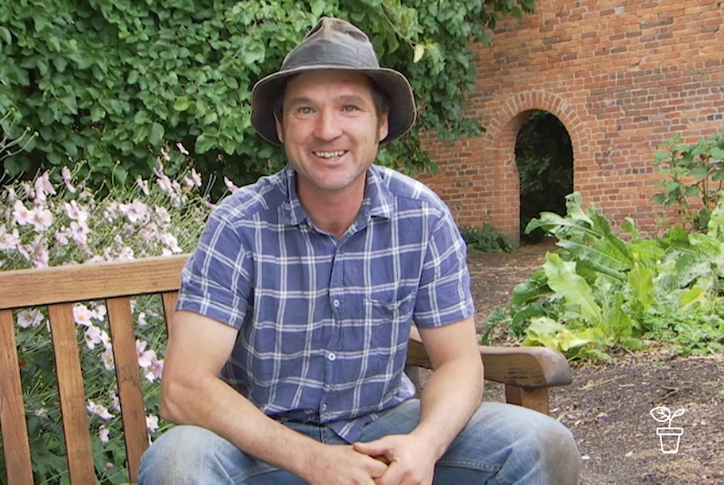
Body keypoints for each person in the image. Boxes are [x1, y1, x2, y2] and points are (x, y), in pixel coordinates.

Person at [138, 17, 580, 485]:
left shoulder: (422, 218)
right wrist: (314, 460)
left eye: (350, 107)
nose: (327, 130)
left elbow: (458, 361)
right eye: (305, 110)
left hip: (384, 435)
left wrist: (425, 445)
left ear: (382, 123)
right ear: (281, 125)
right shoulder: (239, 225)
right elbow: (184, 388)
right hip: (263, 449)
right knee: (178, 462)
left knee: (539, 443)